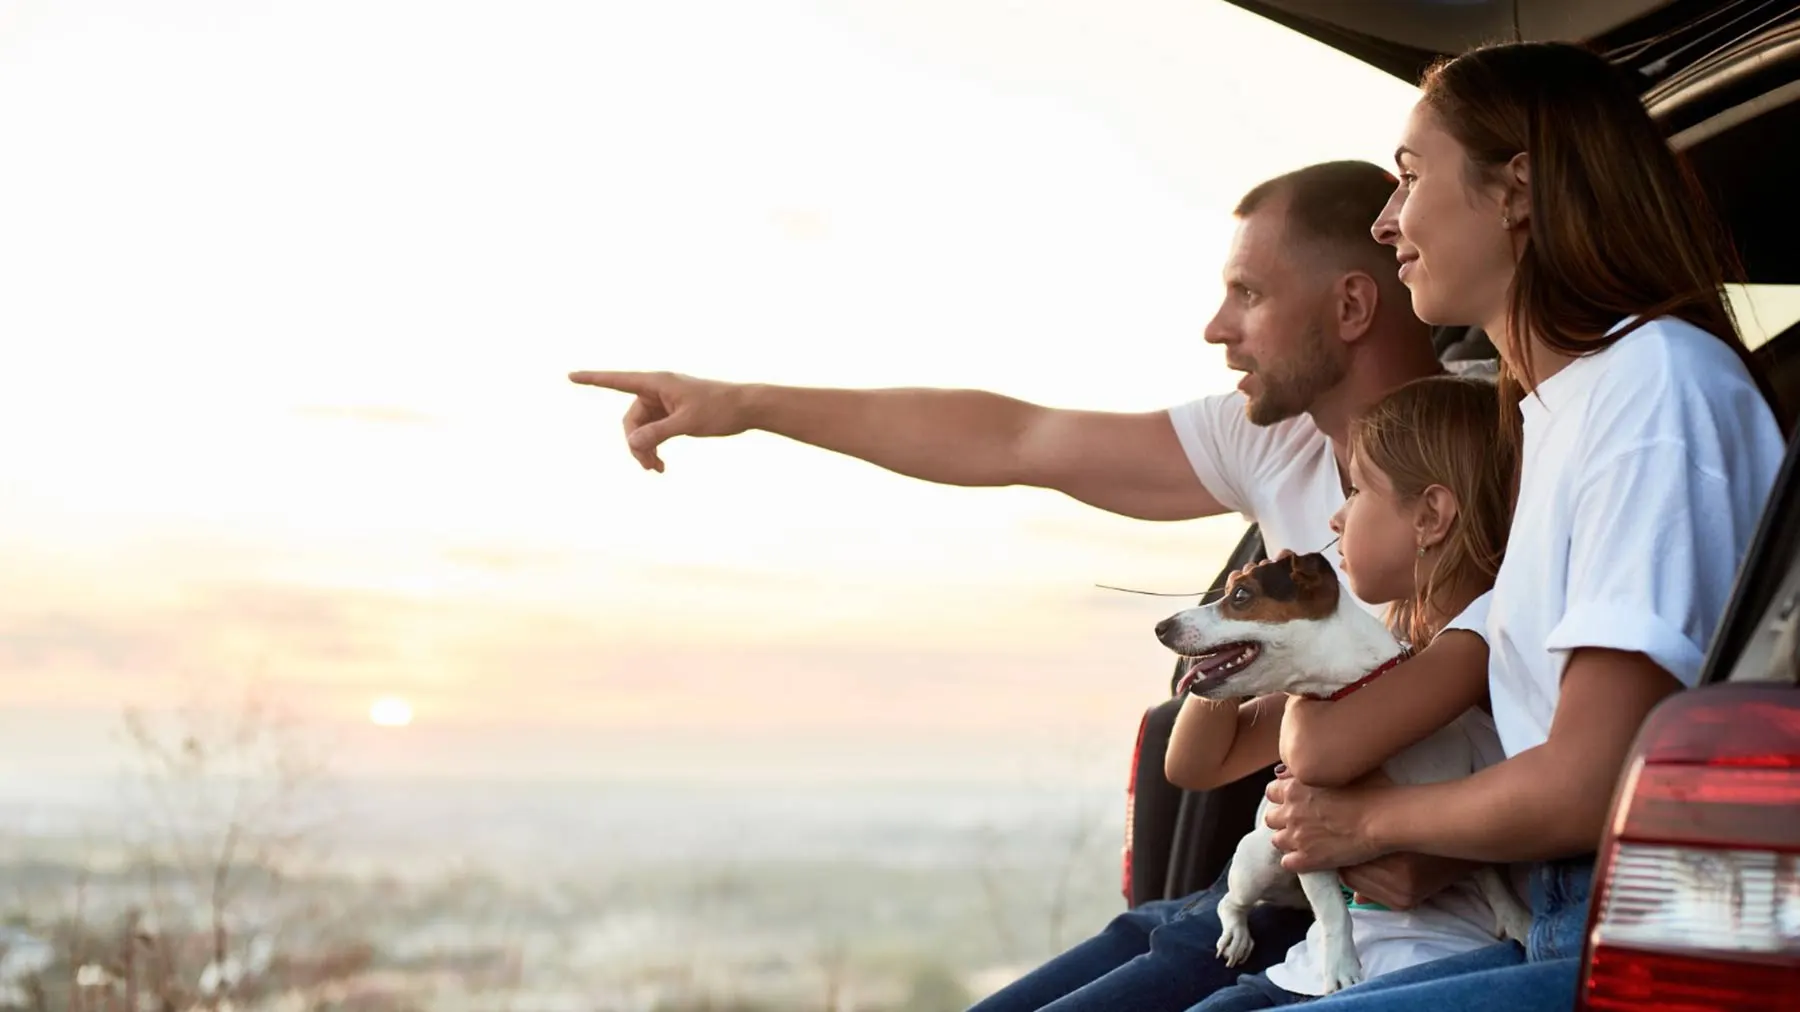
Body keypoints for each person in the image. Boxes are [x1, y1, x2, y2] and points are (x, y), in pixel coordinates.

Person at [573, 160, 1474, 1012]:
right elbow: (1013, 439)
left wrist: (1443, 844)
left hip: (1400, 918)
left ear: (1352, 304)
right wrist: (748, 404)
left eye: (1248, 293)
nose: (1215, 327)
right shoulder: (1272, 439)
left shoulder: (1485, 470)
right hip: (1269, 891)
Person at [1254, 41, 1789, 1011]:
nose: (1387, 221)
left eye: (1410, 179)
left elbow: (1588, 779)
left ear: (1517, 191)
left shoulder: (1653, 386)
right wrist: (1427, 840)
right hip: (1555, 910)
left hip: (1633, 928)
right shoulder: (1559, 408)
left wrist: (1372, 822)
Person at [1168, 375, 1527, 1012]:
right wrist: (1235, 634)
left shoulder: (1467, 646)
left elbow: (1316, 757)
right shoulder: (1377, 650)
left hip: (1410, 959)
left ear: (1430, 517)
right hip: (1324, 945)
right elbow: (1193, 765)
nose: (1335, 517)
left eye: (1356, 490)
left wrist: (1289, 631)